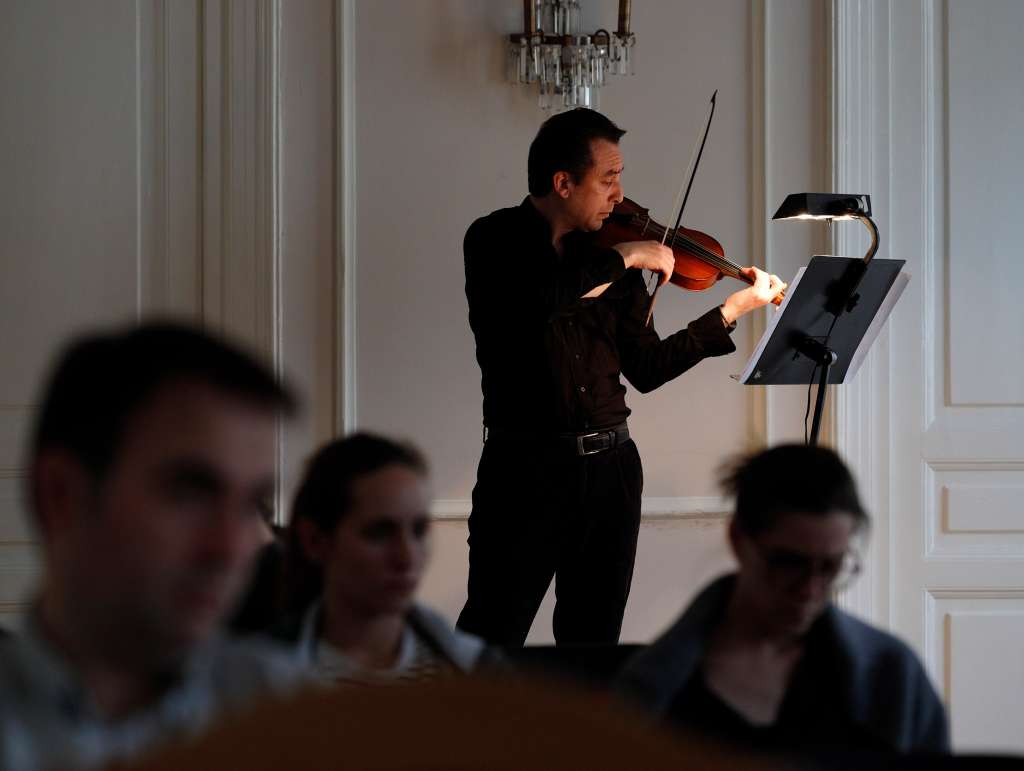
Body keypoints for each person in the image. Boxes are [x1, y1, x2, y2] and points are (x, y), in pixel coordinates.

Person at [457, 107, 786, 646]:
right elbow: (542, 301)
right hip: (524, 471)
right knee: (491, 634)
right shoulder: (495, 239)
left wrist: (733, 309)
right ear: (563, 183)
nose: (619, 195)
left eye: (620, 177)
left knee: (593, 642)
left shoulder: (610, 255)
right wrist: (627, 255)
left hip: (611, 472)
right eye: (608, 178)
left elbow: (648, 369)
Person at [0, 322, 303, 770]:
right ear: (60, 496)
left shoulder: (292, 709)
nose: (230, 550)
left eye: (250, 505)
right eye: (189, 492)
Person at [615, 444, 950, 757]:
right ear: (738, 540)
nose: (809, 589)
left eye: (830, 567)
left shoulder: (894, 676)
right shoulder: (649, 689)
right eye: (789, 563)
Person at [279, 433, 491, 686]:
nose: (406, 557)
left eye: (419, 531)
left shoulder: (473, 667)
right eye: (379, 533)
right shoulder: (258, 677)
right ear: (315, 541)